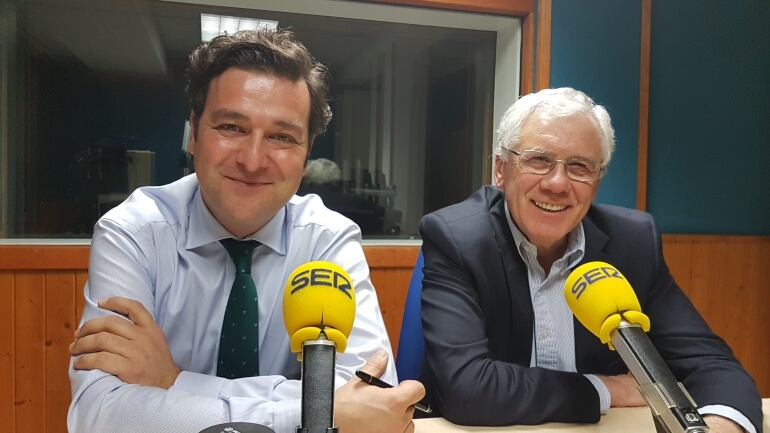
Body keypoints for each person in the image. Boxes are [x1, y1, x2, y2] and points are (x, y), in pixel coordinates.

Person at [68, 29, 424, 433]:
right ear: (194, 132)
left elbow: (371, 400)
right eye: (232, 128)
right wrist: (315, 413)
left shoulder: (327, 238)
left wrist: (175, 383)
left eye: (282, 137)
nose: (253, 161)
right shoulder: (134, 232)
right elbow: (100, 415)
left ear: (307, 154)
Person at [418, 88, 762, 433]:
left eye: (580, 167)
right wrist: (605, 389)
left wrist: (720, 426)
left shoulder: (633, 243)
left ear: (597, 181)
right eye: (539, 160)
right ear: (500, 169)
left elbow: (712, 365)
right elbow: (467, 390)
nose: (557, 183)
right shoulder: (458, 239)